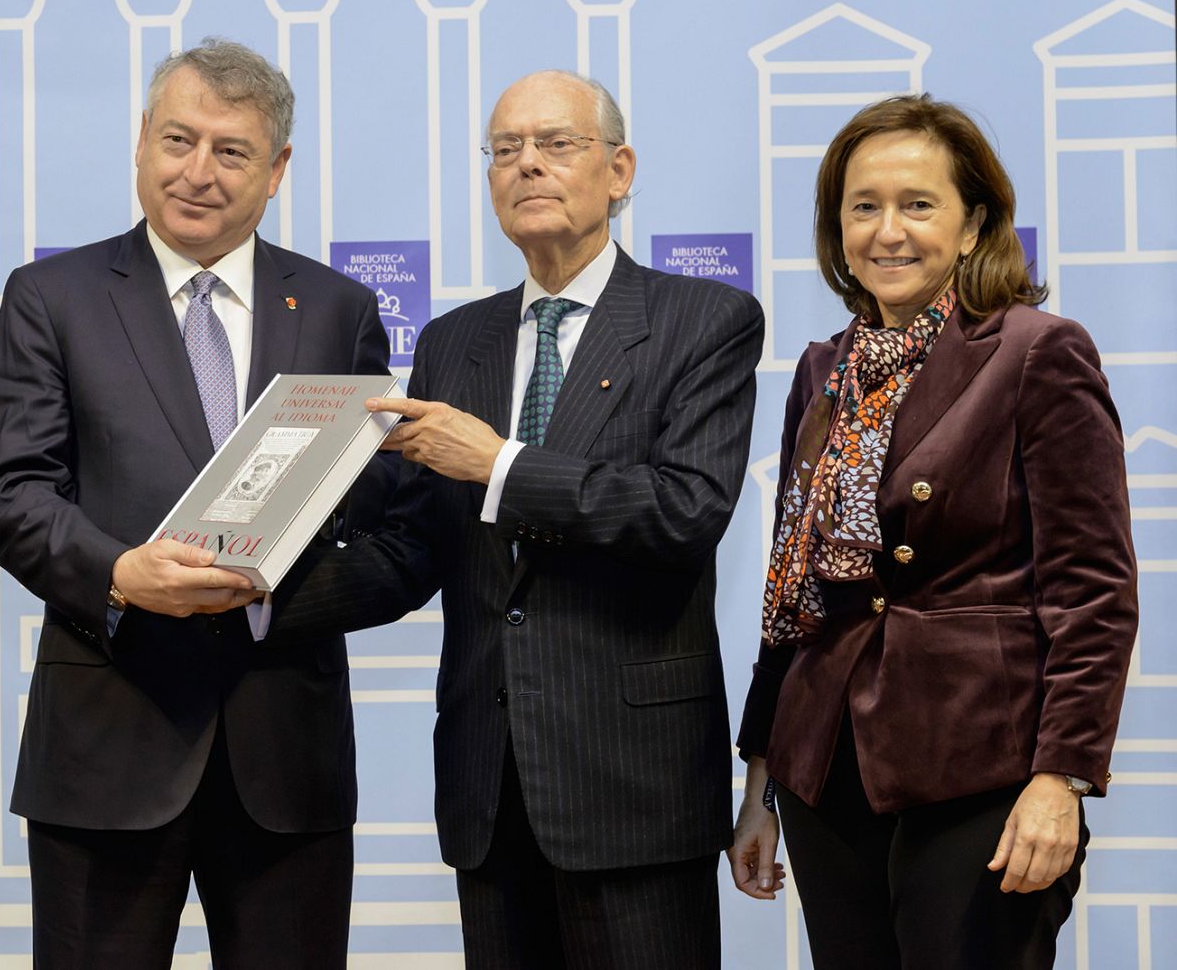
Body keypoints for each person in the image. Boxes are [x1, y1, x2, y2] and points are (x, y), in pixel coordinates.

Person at [269, 70, 765, 968]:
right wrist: (254, 589)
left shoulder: (705, 320)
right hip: (489, 784)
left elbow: (683, 512)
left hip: (635, 785)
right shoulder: (458, 341)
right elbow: (416, 546)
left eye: (556, 144)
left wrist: (498, 464)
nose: (526, 164)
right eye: (505, 150)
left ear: (619, 171)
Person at [0, 38, 392, 967]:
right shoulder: (54, 297)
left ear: (277, 169)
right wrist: (120, 574)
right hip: (106, 749)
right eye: (177, 140)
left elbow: (383, 528)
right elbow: (12, 493)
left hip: (287, 754)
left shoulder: (338, 311)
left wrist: (276, 593)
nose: (197, 172)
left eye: (232, 151)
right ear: (140, 145)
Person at [728, 94, 1138, 969]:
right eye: (862, 206)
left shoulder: (1036, 352)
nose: (888, 231)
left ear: (973, 222)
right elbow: (791, 591)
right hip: (824, 769)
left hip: (980, 769)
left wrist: (1062, 777)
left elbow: (1092, 592)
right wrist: (763, 777)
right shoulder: (821, 370)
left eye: (918, 204)